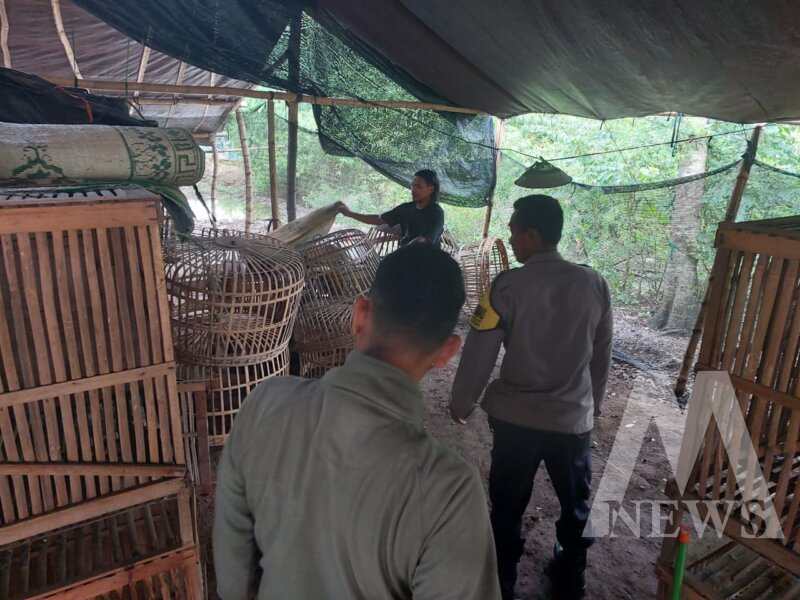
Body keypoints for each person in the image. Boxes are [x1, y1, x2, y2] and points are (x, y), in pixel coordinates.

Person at [214, 244, 502, 600]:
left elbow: (232, 559)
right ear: (447, 351)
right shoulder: (449, 492)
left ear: (360, 314)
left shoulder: (265, 404)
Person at [449, 195, 613, 600]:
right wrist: (591, 407)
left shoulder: (507, 286)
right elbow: (602, 353)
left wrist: (461, 404)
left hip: (516, 422)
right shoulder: (594, 283)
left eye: (514, 231)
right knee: (575, 505)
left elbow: (479, 353)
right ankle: (570, 575)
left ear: (533, 235)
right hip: (572, 423)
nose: (510, 237)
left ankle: (502, 579)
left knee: (506, 503)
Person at [336, 168, 445, 247]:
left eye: (419, 186)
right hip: (405, 257)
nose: (413, 189)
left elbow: (425, 240)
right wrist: (350, 214)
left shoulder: (436, 213)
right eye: (412, 185)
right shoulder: (406, 208)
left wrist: (403, 251)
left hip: (427, 262)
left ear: (430, 189)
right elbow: (378, 219)